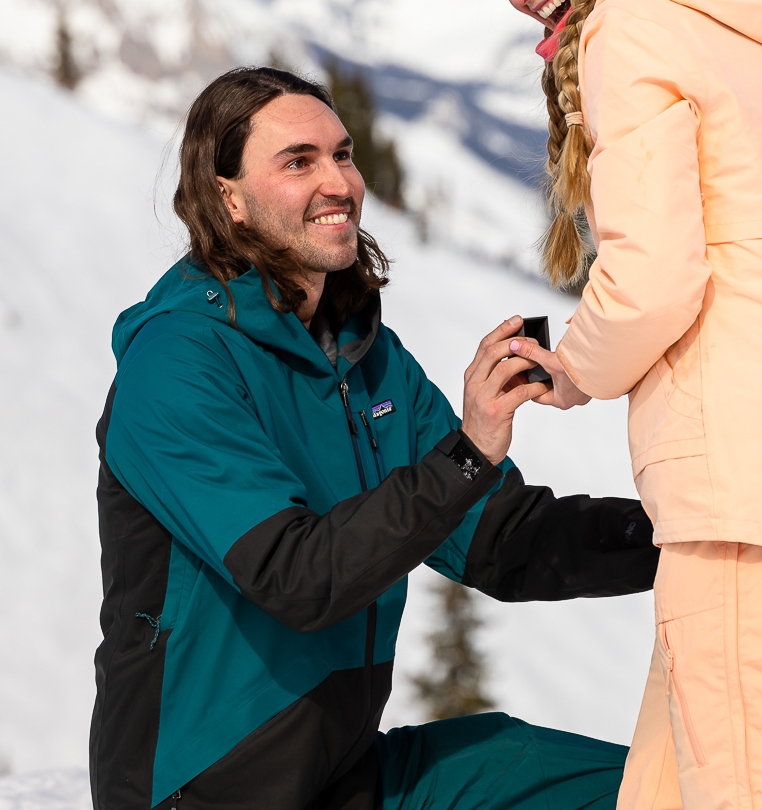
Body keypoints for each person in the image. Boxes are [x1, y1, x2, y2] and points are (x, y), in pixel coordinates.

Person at [90, 65, 658, 810]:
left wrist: (689, 534)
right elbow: (296, 577)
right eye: (299, 161)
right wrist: (465, 454)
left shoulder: (364, 355)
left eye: (343, 154)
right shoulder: (177, 364)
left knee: (652, 789)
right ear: (227, 198)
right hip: (208, 793)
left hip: (345, 775)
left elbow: (500, 541)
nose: (338, 182)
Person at [463, 0, 762, 810]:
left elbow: (654, 276)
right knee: (666, 786)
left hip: (739, 484)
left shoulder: (630, 28)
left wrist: (572, 369)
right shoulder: (729, 12)